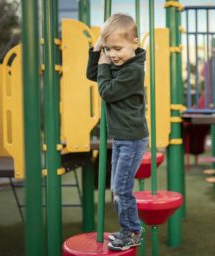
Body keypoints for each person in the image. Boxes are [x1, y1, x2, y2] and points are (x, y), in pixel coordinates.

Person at [86, 13, 148, 251]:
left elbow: (107, 91)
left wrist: (103, 65)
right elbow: (93, 75)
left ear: (135, 42)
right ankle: (127, 230)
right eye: (109, 48)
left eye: (118, 48)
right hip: (122, 138)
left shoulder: (134, 71)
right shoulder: (118, 63)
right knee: (118, 189)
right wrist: (96, 50)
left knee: (122, 189)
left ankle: (132, 232)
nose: (113, 54)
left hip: (132, 139)